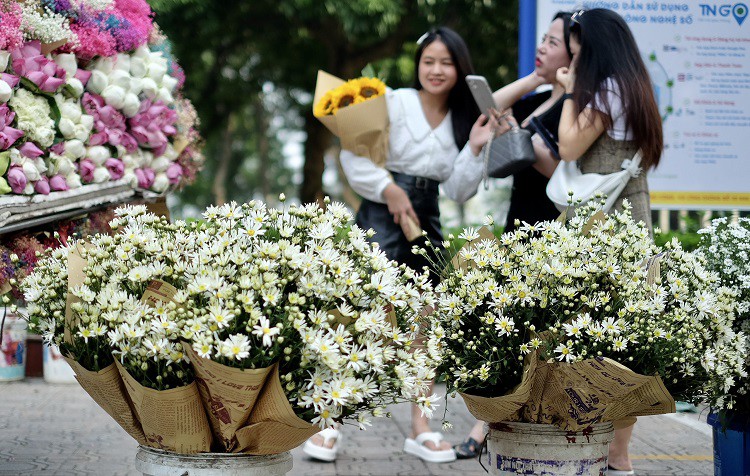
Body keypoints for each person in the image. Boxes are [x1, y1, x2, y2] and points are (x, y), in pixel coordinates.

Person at [302, 27, 504, 464]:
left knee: (422, 326)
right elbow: (355, 155)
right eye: (429, 60)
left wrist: (473, 148)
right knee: (361, 315)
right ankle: (329, 424)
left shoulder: (462, 120)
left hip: (426, 218)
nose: (436, 70)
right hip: (380, 214)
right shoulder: (394, 100)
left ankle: (421, 427)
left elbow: (457, 191)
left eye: (446, 63)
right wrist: (388, 189)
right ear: (418, 63)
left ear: (460, 68)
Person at [451, 11, 574, 460]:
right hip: (519, 220)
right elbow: (487, 108)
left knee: (539, 330)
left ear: (574, 52)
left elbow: (563, 170)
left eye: (553, 41)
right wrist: (533, 78)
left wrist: (524, 142)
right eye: (541, 39)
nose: (542, 46)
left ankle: (492, 422)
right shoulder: (538, 98)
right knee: (515, 326)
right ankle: (494, 416)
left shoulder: (576, 105)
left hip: (553, 221)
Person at [556, 8, 663, 475]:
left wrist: (566, 91)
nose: (571, 52)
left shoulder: (607, 90)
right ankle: (617, 453)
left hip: (602, 221)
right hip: (631, 214)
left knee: (592, 332)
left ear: (592, 44)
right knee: (625, 337)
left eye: (575, 43)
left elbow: (568, 147)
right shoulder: (636, 86)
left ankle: (608, 451)